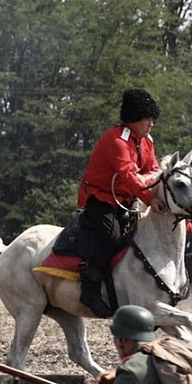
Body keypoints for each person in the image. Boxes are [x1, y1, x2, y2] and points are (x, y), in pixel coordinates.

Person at [75, 88, 164, 317]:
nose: (151, 124)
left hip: (128, 201)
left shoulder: (146, 141)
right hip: (101, 199)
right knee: (110, 237)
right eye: (148, 119)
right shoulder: (115, 140)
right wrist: (150, 198)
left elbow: (153, 170)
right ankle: (90, 289)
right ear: (134, 118)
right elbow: (128, 175)